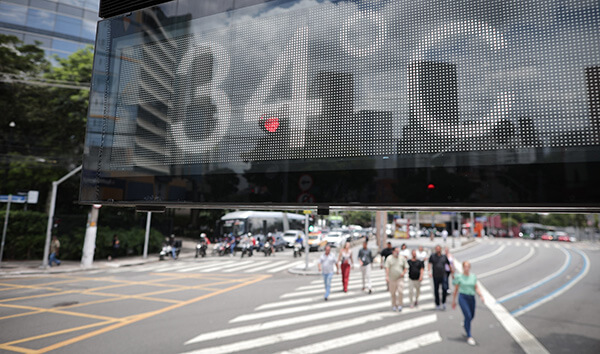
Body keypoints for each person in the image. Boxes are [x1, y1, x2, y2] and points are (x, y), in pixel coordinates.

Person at [452, 261, 485, 346]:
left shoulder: (473, 276)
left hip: (471, 298)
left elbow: (476, 287)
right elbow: (456, 289)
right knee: (468, 316)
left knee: (472, 316)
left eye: (468, 266)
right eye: (465, 266)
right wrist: (453, 301)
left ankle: (465, 324)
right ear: (463, 267)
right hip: (463, 298)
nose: (466, 268)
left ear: (469, 267)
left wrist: (481, 295)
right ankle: (469, 336)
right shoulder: (459, 277)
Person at [384, 246, 408, 311]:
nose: (397, 252)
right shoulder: (389, 258)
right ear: (393, 251)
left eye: (398, 251)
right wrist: (387, 276)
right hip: (392, 278)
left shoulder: (402, 258)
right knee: (393, 293)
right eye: (396, 251)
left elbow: (406, 266)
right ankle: (394, 305)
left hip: (400, 278)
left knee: (400, 291)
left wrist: (403, 272)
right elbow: (387, 267)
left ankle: (400, 304)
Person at [428, 245, 451, 310]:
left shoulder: (444, 256)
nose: (438, 250)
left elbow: (448, 264)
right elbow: (429, 264)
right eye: (436, 249)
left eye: (439, 249)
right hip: (435, 275)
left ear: (441, 249)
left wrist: (452, 272)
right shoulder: (432, 256)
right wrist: (429, 272)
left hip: (443, 275)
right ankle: (437, 304)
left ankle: (443, 302)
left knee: (444, 288)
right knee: (436, 290)